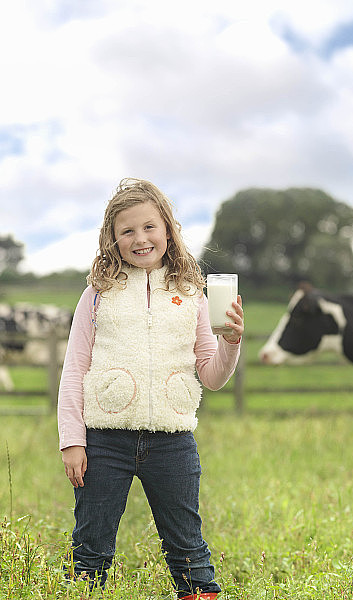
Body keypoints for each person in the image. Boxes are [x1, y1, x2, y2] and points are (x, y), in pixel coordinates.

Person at [57, 178, 243, 600]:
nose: (140, 239)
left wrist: (231, 341)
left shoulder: (192, 294)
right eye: (127, 231)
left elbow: (212, 376)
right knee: (90, 553)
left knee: (188, 551)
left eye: (149, 227)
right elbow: (73, 371)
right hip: (103, 441)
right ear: (113, 238)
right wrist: (72, 440)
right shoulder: (97, 295)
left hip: (173, 442)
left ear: (167, 230)